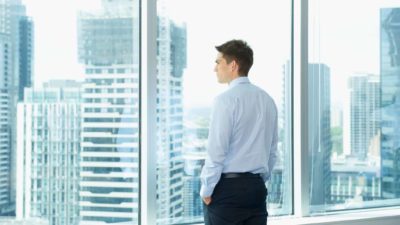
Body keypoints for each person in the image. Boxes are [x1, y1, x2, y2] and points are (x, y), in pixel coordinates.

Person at [200, 39, 278, 225]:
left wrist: (206, 190)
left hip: (227, 190)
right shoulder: (268, 100)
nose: (215, 68)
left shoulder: (224, 101)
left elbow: (216, 152)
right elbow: (272, 152)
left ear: (233, 64)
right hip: (256, 189)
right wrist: (258, 181)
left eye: (218, 62)